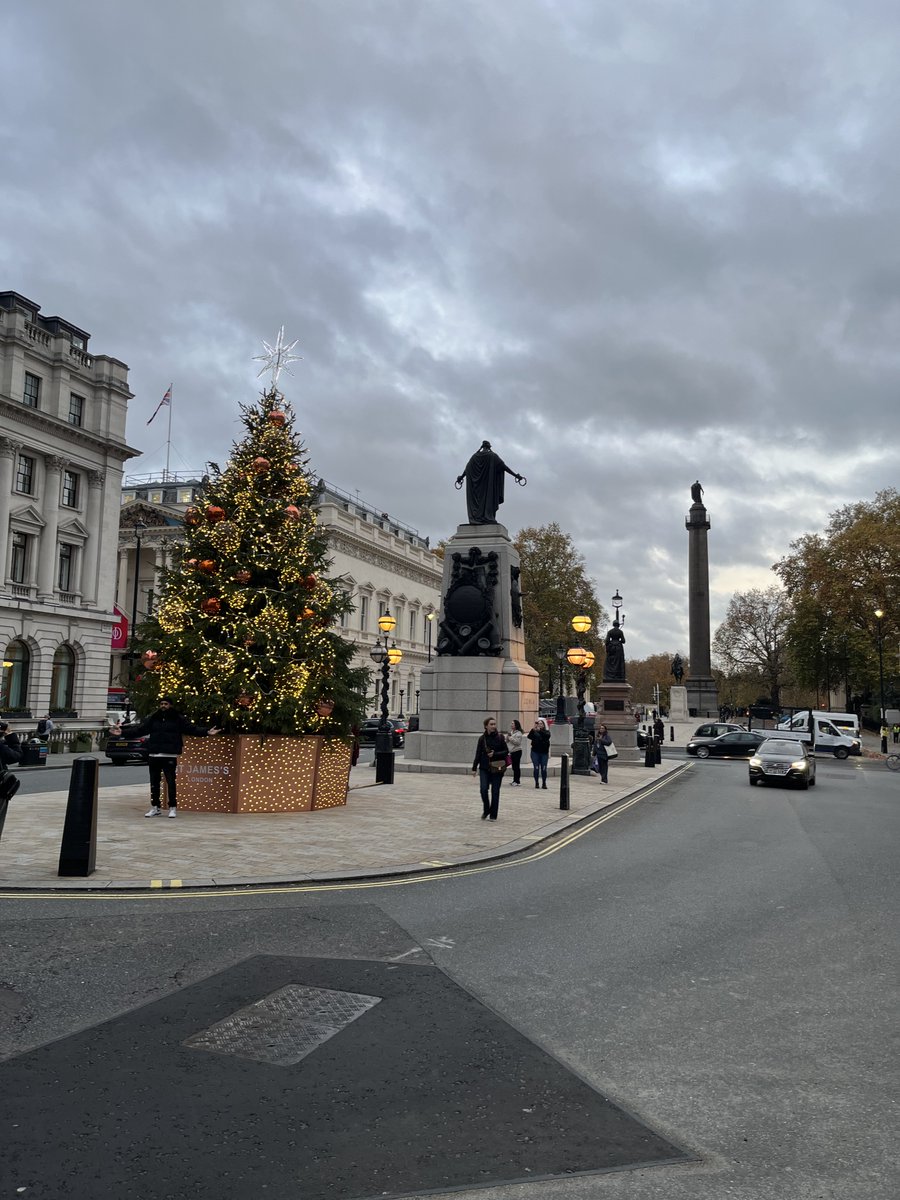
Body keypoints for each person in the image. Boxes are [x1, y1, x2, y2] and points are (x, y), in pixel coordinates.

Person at [109, 696, 220, 818]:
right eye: (161, 703)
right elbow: (140, 730)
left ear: (170, 705)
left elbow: (191, 729)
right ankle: (155, 807)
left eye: (166, 704)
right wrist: (123, 733)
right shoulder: (154, 718)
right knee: (154, 782)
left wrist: (206, 732)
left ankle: (173, 807)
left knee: (171, 781)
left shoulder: (177, 718)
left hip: (169, 754)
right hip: (154, 754)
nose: (163, 706)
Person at [455, 440, 525, 524]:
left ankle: (477, 518)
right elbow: (504, 467)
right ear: (489, 447)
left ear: (482, 447)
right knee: (488, 501)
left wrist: (461, 477)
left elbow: (467, 469)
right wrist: (516, 476)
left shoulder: (474, 457)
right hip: (488, 488)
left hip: (476, 489)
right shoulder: (493, 456)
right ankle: (486, 517)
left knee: (477, 503)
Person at [471, 716, 508, 820]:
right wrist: (474, 768)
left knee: (495, 791)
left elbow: (506, 751)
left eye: (494, 724)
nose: (493, 726)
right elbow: (478, 754)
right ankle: (486, 809)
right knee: (483, 789)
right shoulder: (482, 738)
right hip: (484, 767)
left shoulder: (500, 737)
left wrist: (495, 754)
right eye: (491, 724)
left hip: (497, 767)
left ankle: (493, 814)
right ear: (486, 726)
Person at [527, 717, 551, 789]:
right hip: (535, 752)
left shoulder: (546, 732)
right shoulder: (535, 731)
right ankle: (536, 782)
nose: (539, 725)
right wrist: (533, 729)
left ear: (543, 725)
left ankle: (544, 783)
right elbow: (529, 736)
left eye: (541, 724)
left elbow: (547, 736)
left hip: (544, 753)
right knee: (536, 768)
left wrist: (540, 730)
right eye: (538, 724)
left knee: (544, 768)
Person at [506, 719, 525, 785]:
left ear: (516, 725)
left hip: (517, 751)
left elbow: (517, 742)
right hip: (512, 751)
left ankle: (517, 781)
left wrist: (510, 737)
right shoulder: (511, 732)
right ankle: (514, 780)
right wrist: (507, 736)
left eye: (513, 723)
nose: (511, 725)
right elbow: (507, 741)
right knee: (514, 766)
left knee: (516, 766)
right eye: (511, 723)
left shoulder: (518, 733)